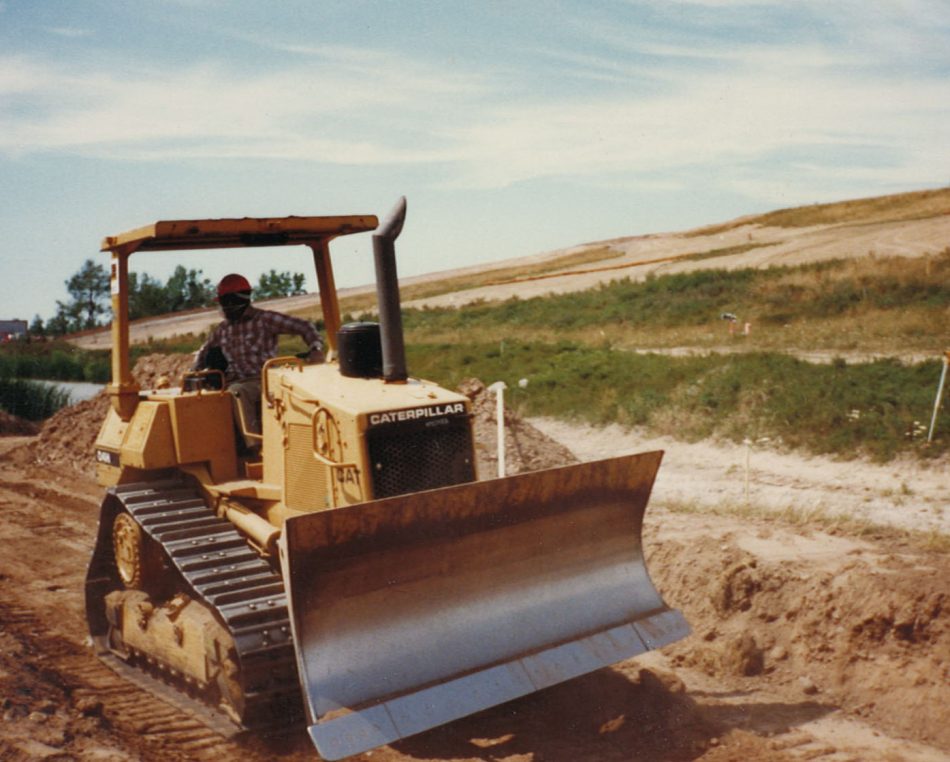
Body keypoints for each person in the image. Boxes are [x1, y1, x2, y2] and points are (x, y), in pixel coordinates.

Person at [193, 273, 325, 449]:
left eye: (224, 303)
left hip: (264, 379)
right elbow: (204, 351)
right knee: (220, 395)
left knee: (237, 392)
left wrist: (315, 348)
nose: (223, 308)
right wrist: (194, 372)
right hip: (237, 380)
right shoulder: (223, 329)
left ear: (234, 301)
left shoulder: (265, 320)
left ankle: (257, 447)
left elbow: (305, 327)